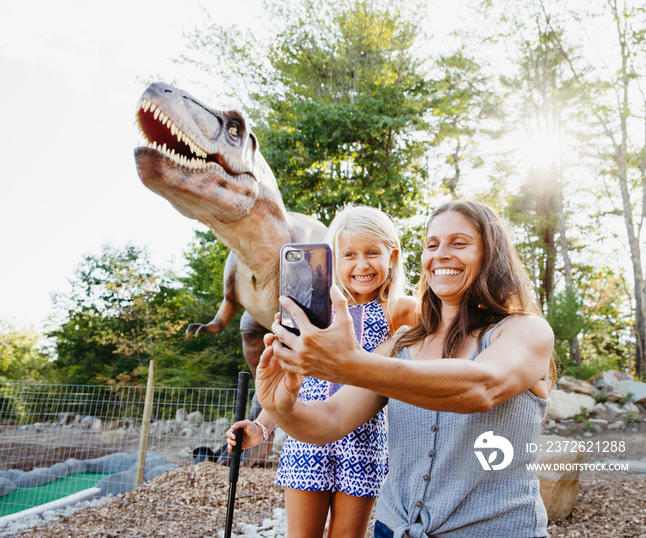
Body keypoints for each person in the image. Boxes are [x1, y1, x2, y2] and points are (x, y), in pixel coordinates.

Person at [257, 200, 556, 538]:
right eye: (432, 245)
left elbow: (481, 388)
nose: (441, 254)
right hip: (393, 529)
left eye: (458, 243)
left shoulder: (524, 330)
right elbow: (330, 421)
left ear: (491, 254)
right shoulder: (401, 344)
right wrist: (277, 403)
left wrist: (349, 366)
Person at [226, 204, 419, 538]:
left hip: (364, 437)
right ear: (332, 259)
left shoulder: (401, 310)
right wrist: (261, 425)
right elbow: (286, 375)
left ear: (392, 256)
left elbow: (452, 326)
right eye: (348, 255)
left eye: (372, 252)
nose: (361, 265)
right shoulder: (314, 310)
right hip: (306, 436)